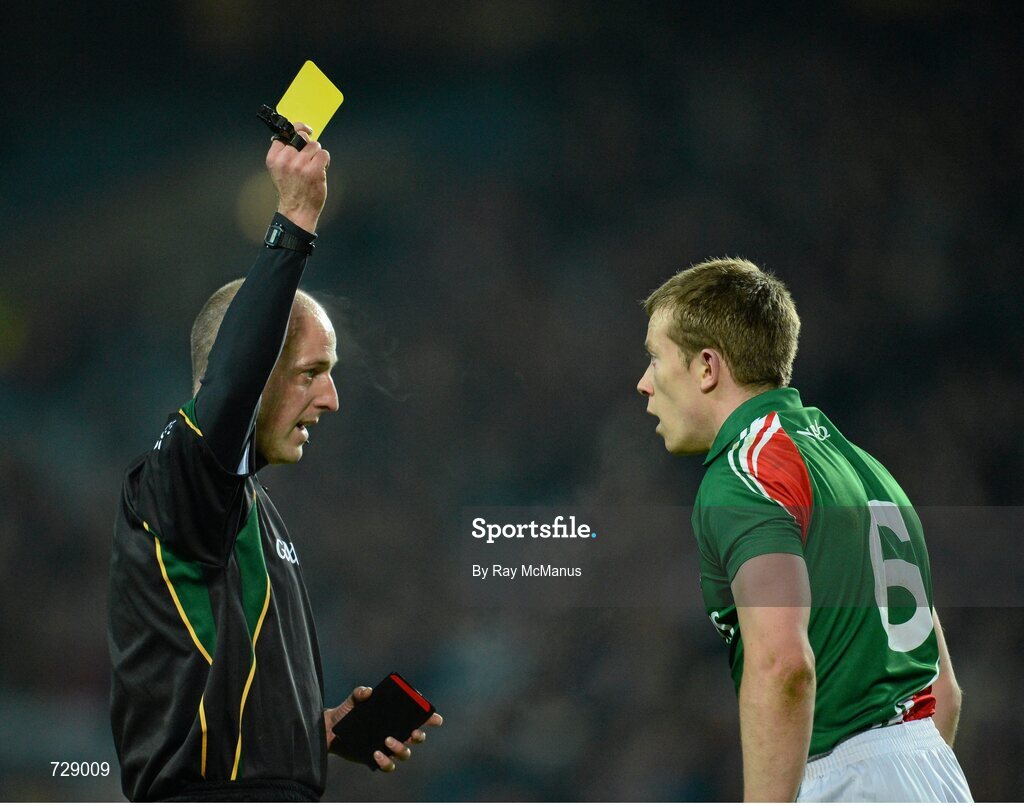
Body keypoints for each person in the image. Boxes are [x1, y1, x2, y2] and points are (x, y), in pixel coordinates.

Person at [108, 124, 441, 801]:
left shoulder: (249, 513)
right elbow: (227, 388)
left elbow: (214, 710)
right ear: (256, 374)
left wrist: (310, 731)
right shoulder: (177, 483)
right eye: (313, 372)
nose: (333, 398)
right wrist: (294, 220)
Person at [636, 258, 972, 802]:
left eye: (655, 357)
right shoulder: (867, 471)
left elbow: (782, 665)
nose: (644, 382)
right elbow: (943, 692)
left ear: (705, 367)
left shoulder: (745, 476)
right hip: (936, 776)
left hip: (843, 783)